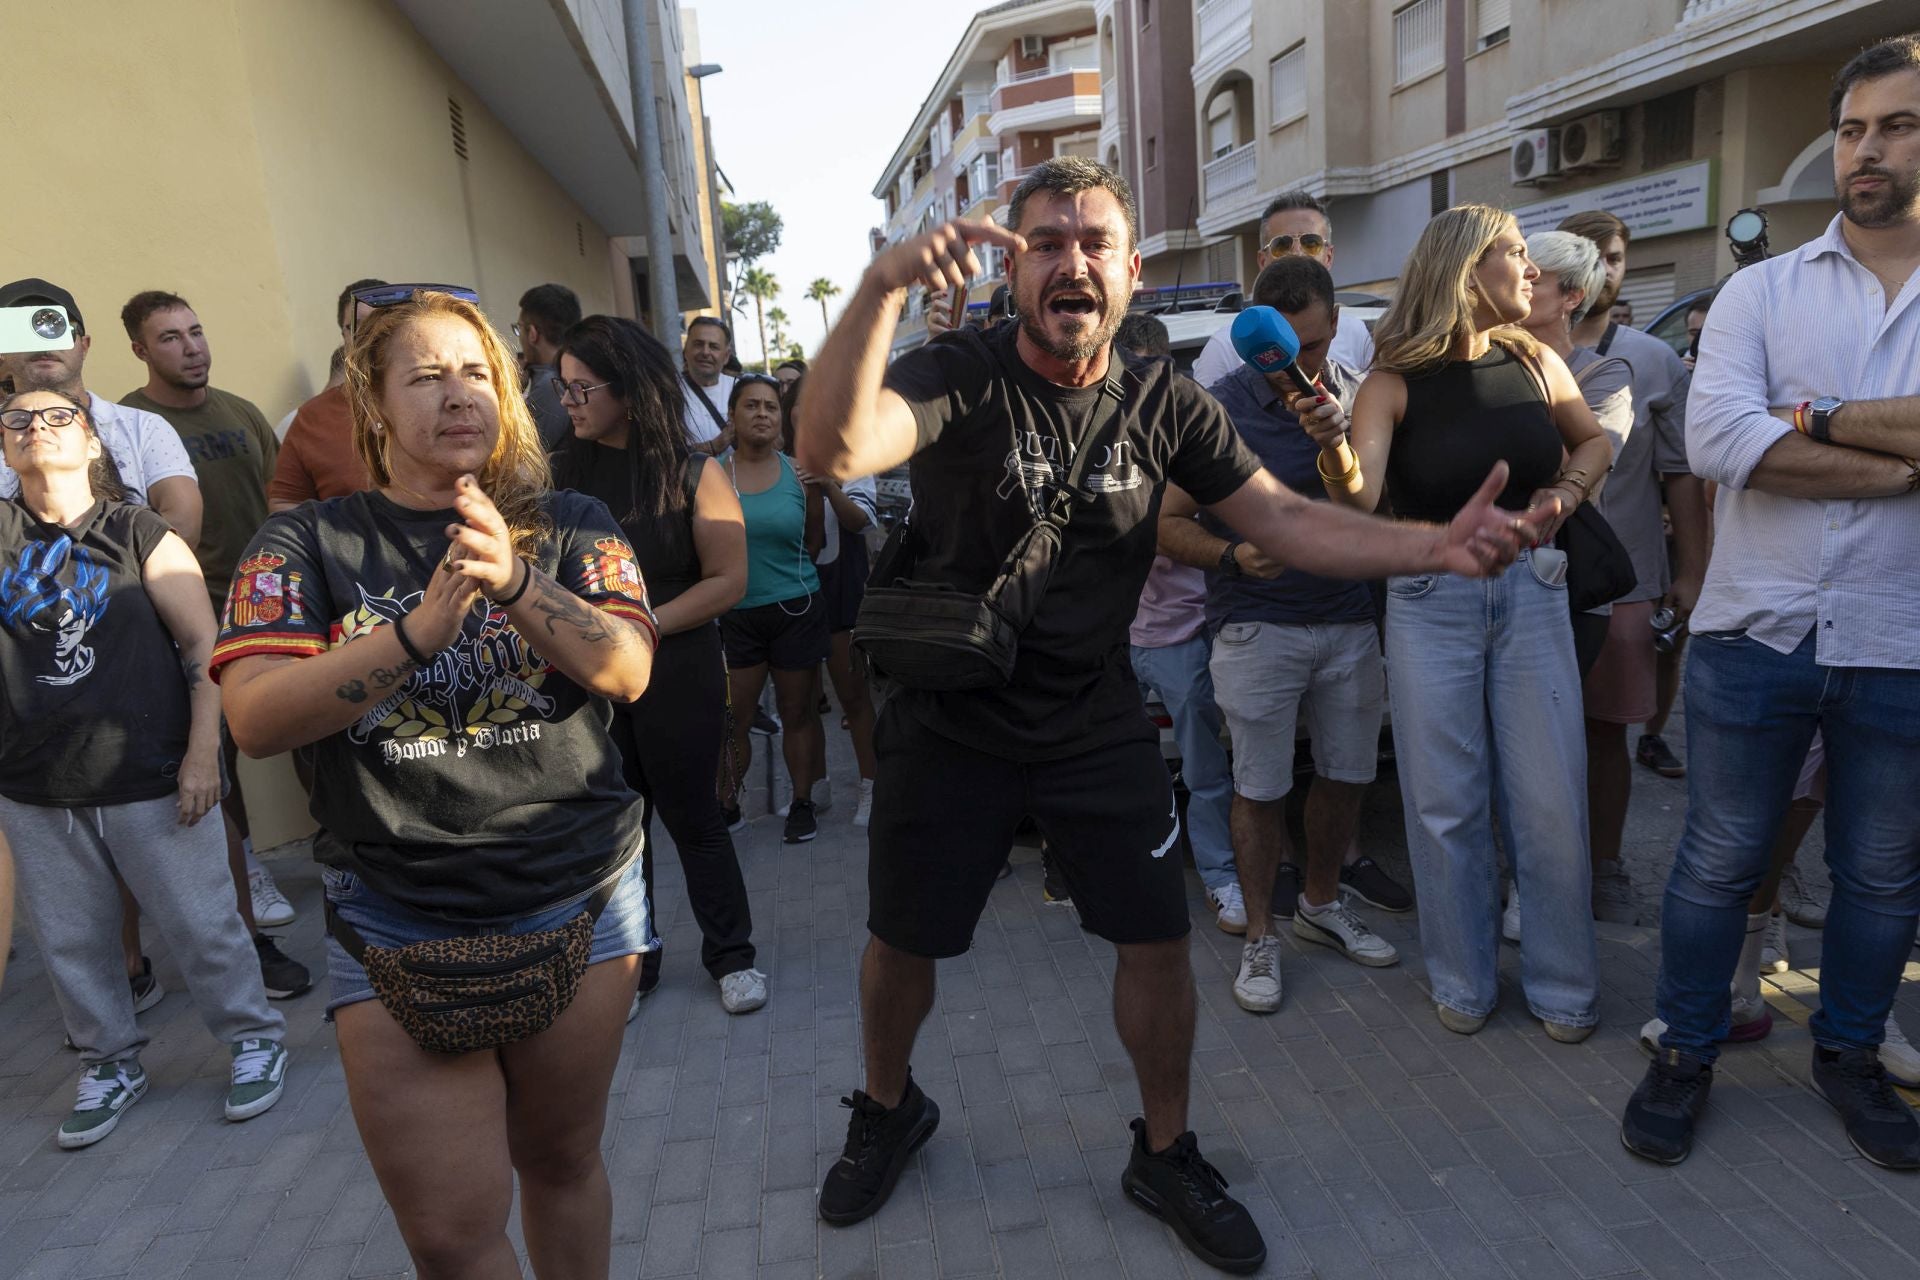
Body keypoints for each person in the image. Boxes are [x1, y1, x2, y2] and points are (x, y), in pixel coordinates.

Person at [794, 157, 1546, 1272]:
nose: (1072, 260)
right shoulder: (955, 368)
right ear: (1015, 267)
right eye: (1045, 240)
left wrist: (1427, 545)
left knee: (1153, 940)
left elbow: (1288, 519)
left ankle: (1165, 1147)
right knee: (903, 939)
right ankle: (889, 1105)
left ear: (1133, 272)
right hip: (949, 716)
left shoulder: (1162, 401)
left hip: (1094, 717)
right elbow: (830, 449)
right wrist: (882, 287)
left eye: (1094, 241)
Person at [214, 288, 659, 1274]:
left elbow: (627, 670)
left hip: (580, 896)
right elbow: (254, 718)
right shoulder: (302, 543)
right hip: (391, 913)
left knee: (560, 1160)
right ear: (372, 406)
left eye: (478, 373)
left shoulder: (573, 522)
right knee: (452, 1236)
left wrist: (513, 583)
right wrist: (415, 632)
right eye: (425, 376)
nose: (459, 393)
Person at [1621, 37, 1920, 1172]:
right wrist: (1898, 460)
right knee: (1717, 857)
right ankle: (1687, 1046)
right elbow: (1720, 441)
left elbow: (1772, 434)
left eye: (1896, 124)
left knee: (1885, 870)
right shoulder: (1760, 287)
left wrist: (1818, 418)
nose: (1867, 148)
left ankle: (1848, 1051)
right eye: (1853, 128)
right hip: (1757, 629)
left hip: (1903, 633)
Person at [1324, 204, 1614, 1043]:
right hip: (1429, 602)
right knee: (1446, 804)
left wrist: (1564, 494)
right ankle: (1461, 977)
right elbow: (1360, 499)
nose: (1533, 271)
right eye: (1515, 254)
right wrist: (1333, 446)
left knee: (1550, 799)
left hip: (1534, 587)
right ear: (1463, 268)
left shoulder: (1533, 359)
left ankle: (1565, 988)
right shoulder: (1391, 381)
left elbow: (1592, 444)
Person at [0, 388, 288, 1150]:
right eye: (17, 420)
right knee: (72, 941)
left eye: (57, 416)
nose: (35, 429)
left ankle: (254, 1038)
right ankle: (110, 1062)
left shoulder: (139, 531)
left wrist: (203, 755)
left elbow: (206, 649)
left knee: (202, 924)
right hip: (34, 784)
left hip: (151, 771)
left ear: (94, 443)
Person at [1160, 257, 1411, 1016]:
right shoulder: (1216, 408)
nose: (1296, 368)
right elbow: (1165, 525)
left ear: (1336, 326)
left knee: (1346, 775)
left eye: (1311, 347)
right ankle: (1261, 937)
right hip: (1256, 626)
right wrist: (1233, 553)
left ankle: (1322, 905)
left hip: (1348, 622)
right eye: (1281, 350)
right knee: (1259, 788)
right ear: (1252, 342)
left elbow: (1378, 509)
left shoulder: (1361, 401)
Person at [551, 315, 766, 1014]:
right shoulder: (556, 472)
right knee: (618, 825)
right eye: (563, 389)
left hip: (677, 665)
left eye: (582, 388)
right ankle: (633, 963)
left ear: (629, 388)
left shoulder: (692, 471)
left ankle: (732, 955)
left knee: (694, 816)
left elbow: (727, 581)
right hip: (586, 676)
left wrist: (638, 630)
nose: (570, 402)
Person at [118, 289, 310, 994]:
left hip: (268, 611)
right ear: (139, 350)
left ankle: (344, 858)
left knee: (311, 732)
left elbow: (283, 501)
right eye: (169, 338)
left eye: (196, 331)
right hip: (187, 622)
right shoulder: (128, 426)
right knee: (211, 762)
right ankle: (245, 877)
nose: (191, 346)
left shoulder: (242, 412)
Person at [1557, 210, 1710, 922]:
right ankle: (1535, 870)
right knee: (1531, 737)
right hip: (1536, 582)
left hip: (1624, 582)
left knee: (1607, 732)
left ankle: (1605, 864)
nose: (1604, 270)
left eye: (1614, 257)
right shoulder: (1519, 350)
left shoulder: (1652, 360)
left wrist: (1692, 573)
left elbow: (1680, 476)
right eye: (1589, 257)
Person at [1115, 312, 1244, 935]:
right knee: (1126, 773)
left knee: (1205, 774)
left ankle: (1222, 879)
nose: (1143, 391)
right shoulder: (1099, 443)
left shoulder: (1197, 447)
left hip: (1188, 638)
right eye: (1130, 377)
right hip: (1119, 641)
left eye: (1155, 376)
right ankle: (1130, 874)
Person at [0, 278, 202, 544]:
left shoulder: (143, 427)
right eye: (25, 330)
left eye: (57, 327)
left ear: (84, 345)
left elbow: (183, 528)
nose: (43, 342)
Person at [719, 374, 829, 843]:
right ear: (733, 417)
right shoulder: (712, 477)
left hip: (796, 608)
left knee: (797, 712)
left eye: (770, 406)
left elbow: (815, 541)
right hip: (737, 614)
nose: (762, 413)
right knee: (734, 717)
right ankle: (727, 802)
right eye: (751, 406)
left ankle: (801, 803)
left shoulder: (800, 475)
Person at [793, 371, 880, 829]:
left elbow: (860, 521)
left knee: (854, 697)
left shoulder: (855, 460)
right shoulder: (777, 465)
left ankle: (871, 788)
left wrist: (828, 482)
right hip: (793, 596)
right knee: (801, 702)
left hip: (843, 592)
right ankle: (815, 789)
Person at [1191, 193, 1373, 386]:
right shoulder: (1225, 347)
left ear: (1329, 256)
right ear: (1263, 260)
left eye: (1311, 243)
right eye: (1282, 245)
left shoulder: (1356, 332)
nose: (1297, 253)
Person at [270, 278, 388, 510]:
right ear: (344, 337)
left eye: (380, 322)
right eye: (356, 326)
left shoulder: (443, 397)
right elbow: (284, 504)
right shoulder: (311, 418)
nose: (368, 335)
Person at [516, 284, 583, 450]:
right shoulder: (577, 371)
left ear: (533, 333)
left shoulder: (550, 384)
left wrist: (510, 391)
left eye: (519, 328)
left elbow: (522, 456)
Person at [681, 316, 737, 456]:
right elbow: (661, 450)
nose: (705, 352)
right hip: (691, 477)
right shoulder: (667, 390)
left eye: (714, 346)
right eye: (698, 344)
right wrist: (712, 446)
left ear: (726, 356)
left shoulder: (740, 389)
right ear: (686, 350)